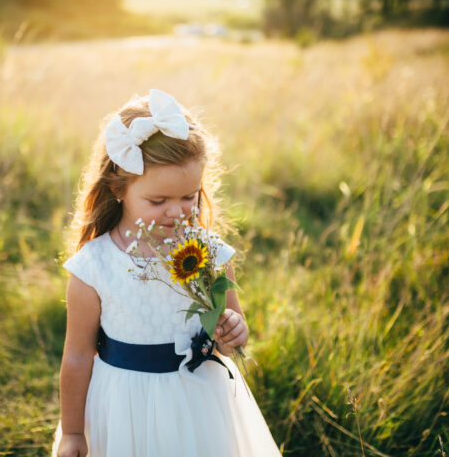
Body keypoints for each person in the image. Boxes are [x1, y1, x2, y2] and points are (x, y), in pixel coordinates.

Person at [53, 89, 282, 457]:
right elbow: (78, 357)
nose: (176, 212)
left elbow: (230, 338)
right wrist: (73, 433)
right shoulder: (93, 267)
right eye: (158, 201)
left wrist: (234, 329)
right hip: (124, 405)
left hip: (199, 401)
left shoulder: (207, 254)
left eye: (189, 197)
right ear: (118, 189)